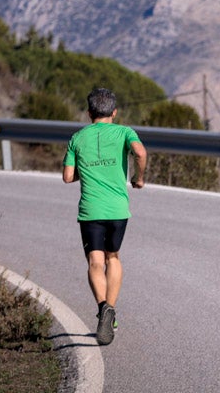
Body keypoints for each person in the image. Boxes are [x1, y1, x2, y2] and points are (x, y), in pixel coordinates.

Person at [63, 87, 147, 346]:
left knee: (95, 261)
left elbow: (67, 176)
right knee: (113, 257)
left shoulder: (77, 138)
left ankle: (103, 309)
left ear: (89, 113)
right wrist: (138, 178)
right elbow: (141, 152)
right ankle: (110, 307)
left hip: (90, 210)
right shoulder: (125, 132)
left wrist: (84, 173)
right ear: (114, 111)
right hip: (118, 209)